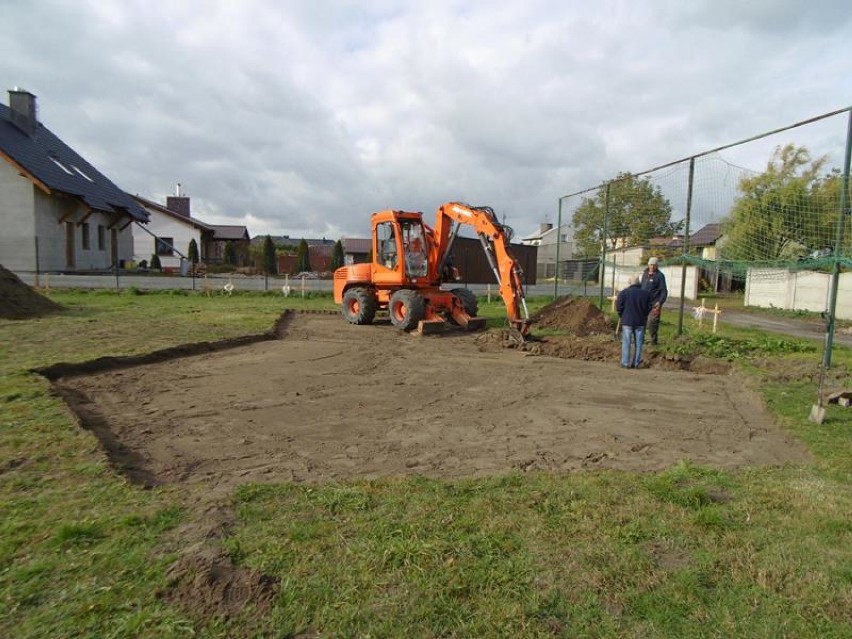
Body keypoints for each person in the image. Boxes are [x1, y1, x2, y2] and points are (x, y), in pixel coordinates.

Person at [616, 274, 653, 369]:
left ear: (630, 283)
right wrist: (644, 315)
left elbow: (619, 306)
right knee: (639, 343)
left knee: (626, 342)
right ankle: (636, 363)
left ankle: (625, 363)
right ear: (639, 283)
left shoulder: (624, 293)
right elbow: (649, 307)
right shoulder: (646, 294)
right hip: (640, 321)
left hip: (627, 321)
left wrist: (622, 315)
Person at [641, 256, 668, 345]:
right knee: (641, 322)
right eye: (651, 265)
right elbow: (641, 287)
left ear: (657, 266)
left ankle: (653, 341)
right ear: (648, 265)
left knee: (652, 322)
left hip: (654, 304)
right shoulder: (645, 274)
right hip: (644, 303)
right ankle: (640, 339)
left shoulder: (660, 276)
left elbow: (664, 291)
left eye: (654, 265)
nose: (652, 267)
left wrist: (660, 302)